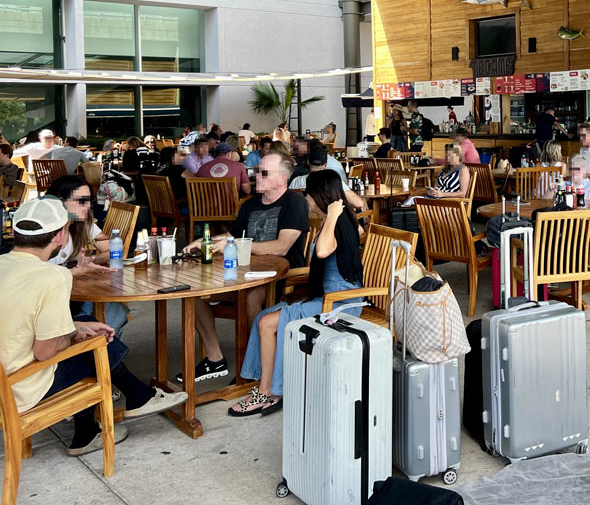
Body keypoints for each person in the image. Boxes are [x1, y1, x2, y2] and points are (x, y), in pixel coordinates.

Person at [0, 198, 188, 455]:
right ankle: (130, 402)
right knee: (92, 349)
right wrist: (74, 336)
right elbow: (44, 353)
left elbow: (17, 319)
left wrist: (75, 326)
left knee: (87, 328)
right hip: (20, 390)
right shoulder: (52, 277)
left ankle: (97, 425)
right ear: (60, 235)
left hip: (5, 377)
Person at [229, 170, 363, 416]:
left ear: (319, 195)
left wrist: (333, 215)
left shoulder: (338, 221)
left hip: (338, 304)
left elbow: (322, 251)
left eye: (308, 194)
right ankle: (265, 384)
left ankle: (269, 391)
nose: (306, 199)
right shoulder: (340, 220)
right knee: (263, 318)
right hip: (326, 298)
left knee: (268, 323)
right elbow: (356, 236)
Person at [178, 152, 310, 383]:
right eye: (256, 171)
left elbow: (281, 247)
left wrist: (237, 244)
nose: (256, 176)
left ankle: (256, 362)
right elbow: (230, 236)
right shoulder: (250, 205)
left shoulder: (294, 202)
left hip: (281, 279)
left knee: (250, 297)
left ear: (282, 178)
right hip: (243, 274)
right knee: (192, 293)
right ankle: (215, 358)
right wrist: (205, 241)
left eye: (264, 173)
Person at [44, 177, 130, 336]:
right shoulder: (44, 233)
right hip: (49, 304)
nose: (89, 206)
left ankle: (102, 355)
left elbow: (112, 249)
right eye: (82, 201)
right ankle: (99, 355)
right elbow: (36, 277)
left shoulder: (82, 223)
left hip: (72, 295)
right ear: (60, 202)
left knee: (116, 310)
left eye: (90, 200)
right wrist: (76, 269)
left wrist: (92, 260)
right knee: (112, 312)